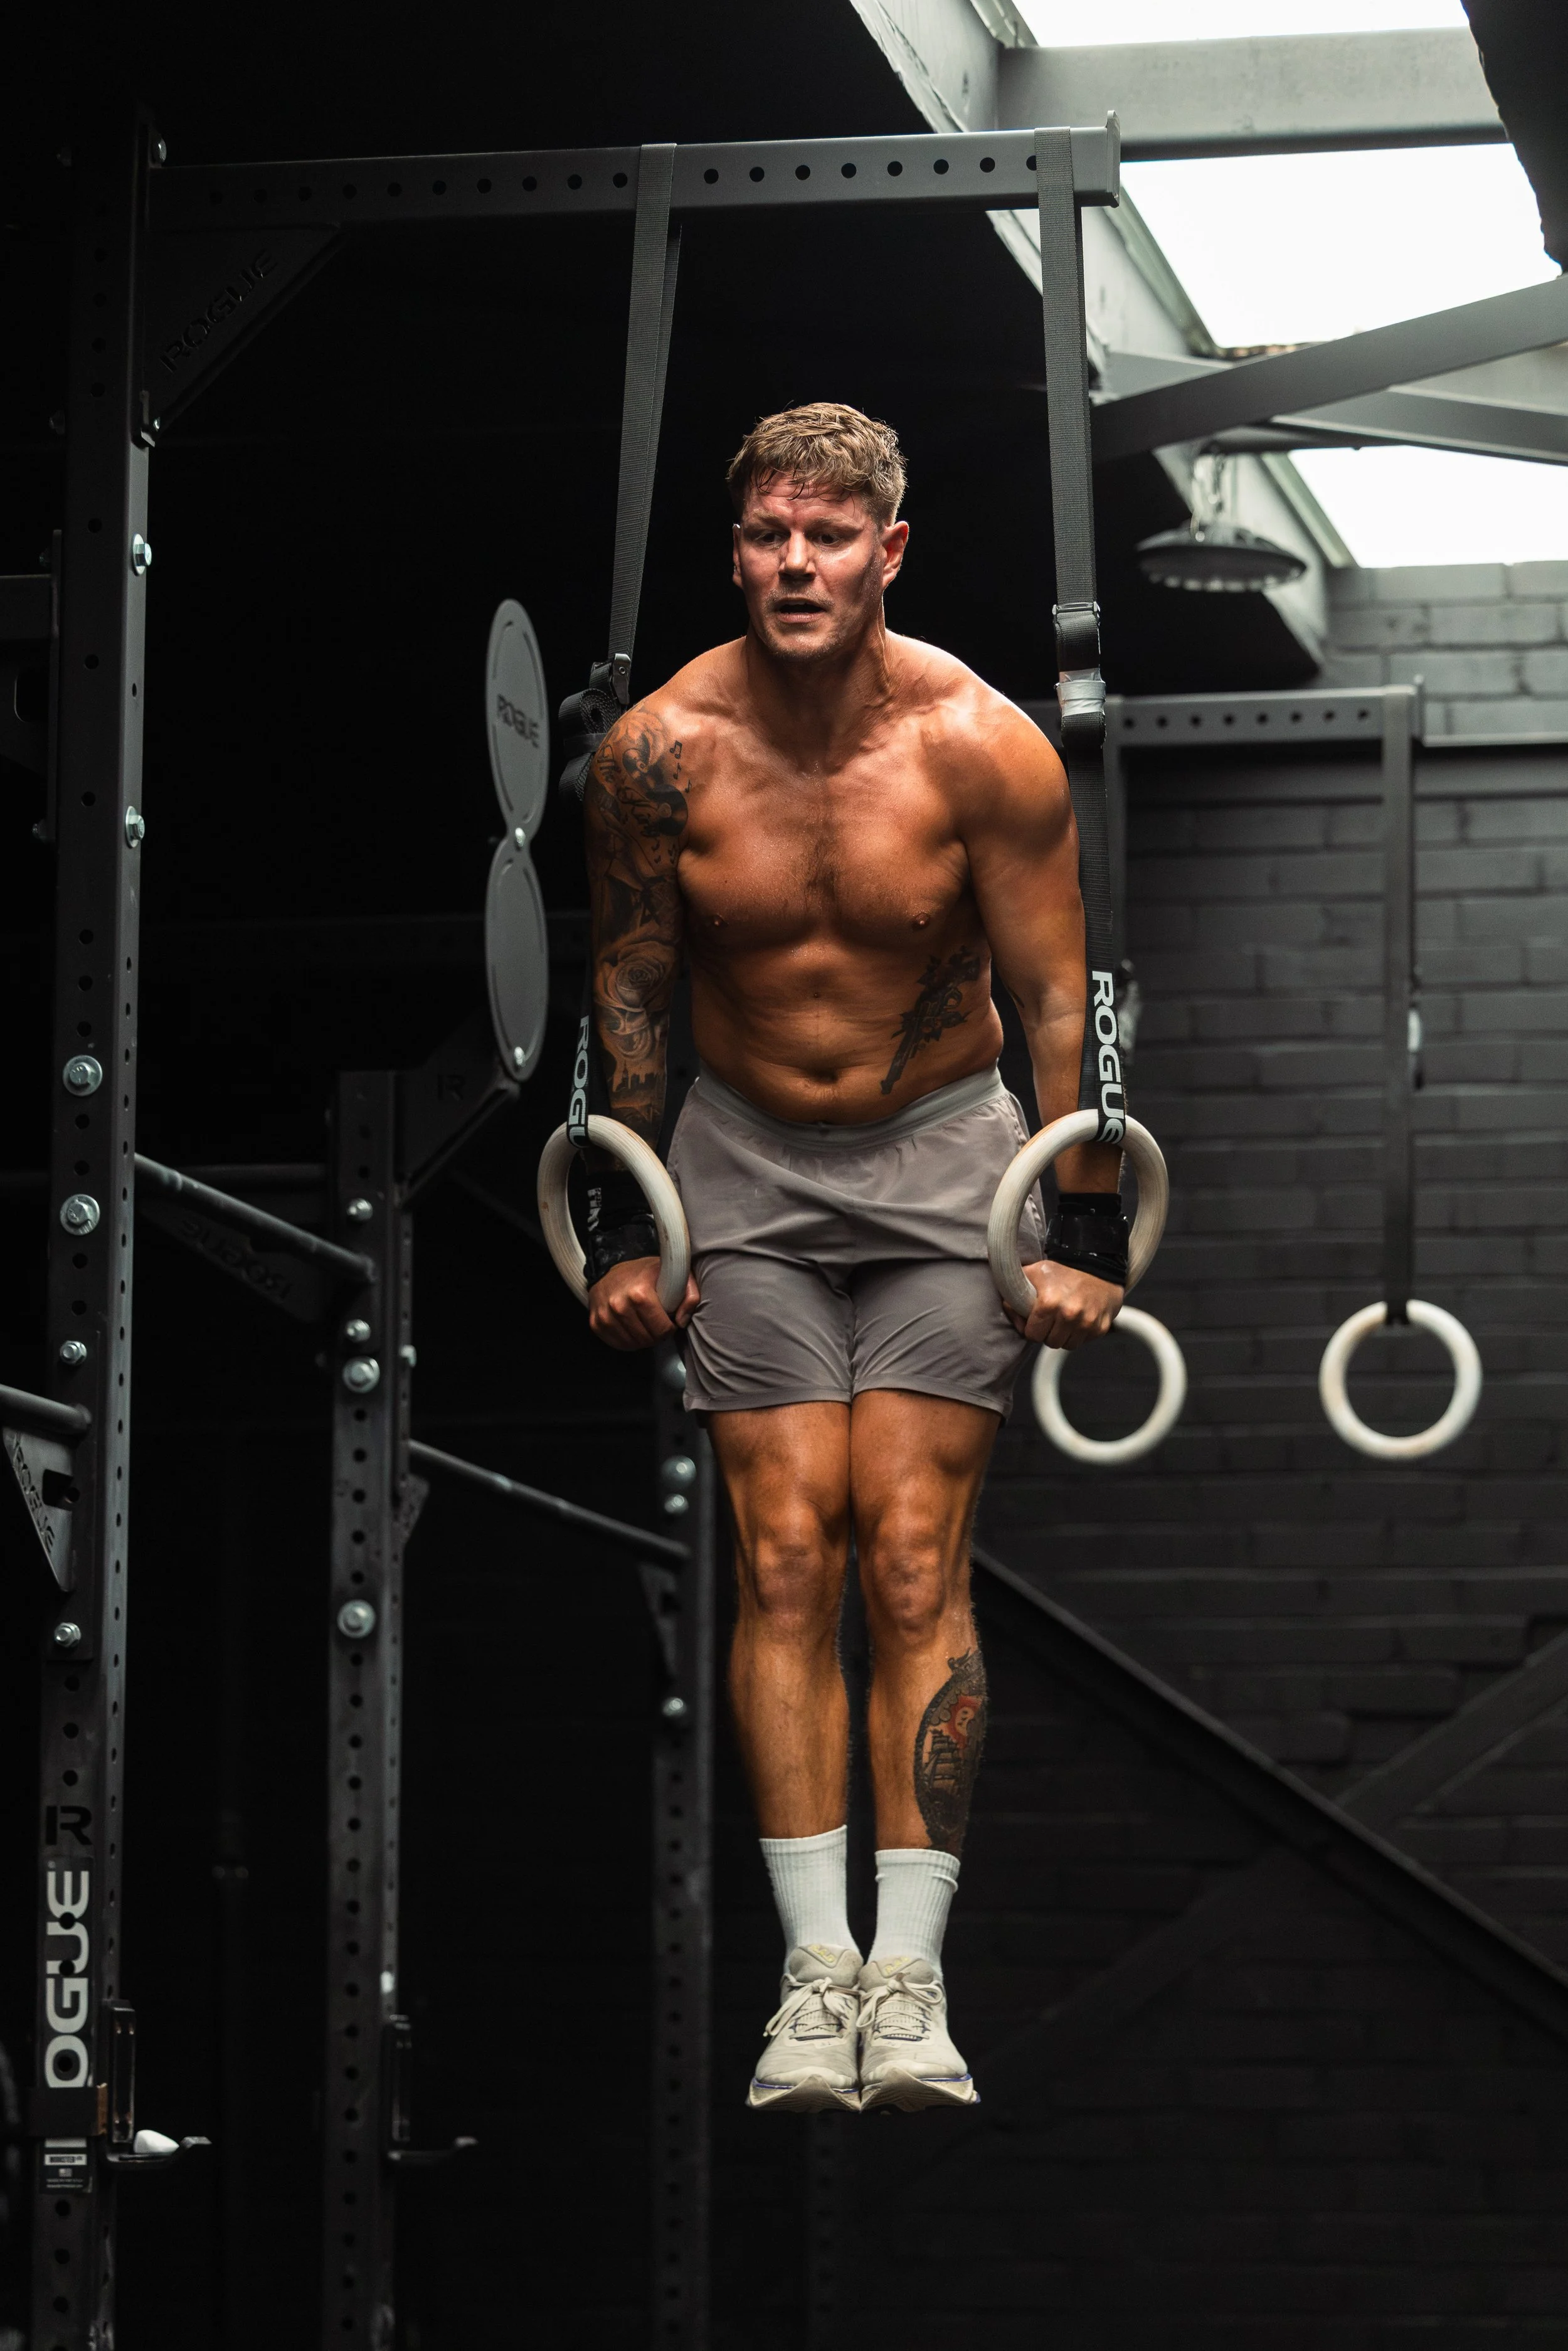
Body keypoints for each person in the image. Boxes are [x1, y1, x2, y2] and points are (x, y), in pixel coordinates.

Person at [578, 403, 1125, 2113]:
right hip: (737, 1165)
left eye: (828, 537)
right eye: (763, 536)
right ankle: (815, 1982)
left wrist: (1085, 1222)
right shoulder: (658, 754)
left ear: (887, 552)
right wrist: (618, 1215)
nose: (792, 564)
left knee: (905, 1556)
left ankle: (911, 1981)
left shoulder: (981, 747)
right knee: (787, 1552)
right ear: (733, 549)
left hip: (945, 1155)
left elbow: (1060, 1001)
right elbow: (631, 995)